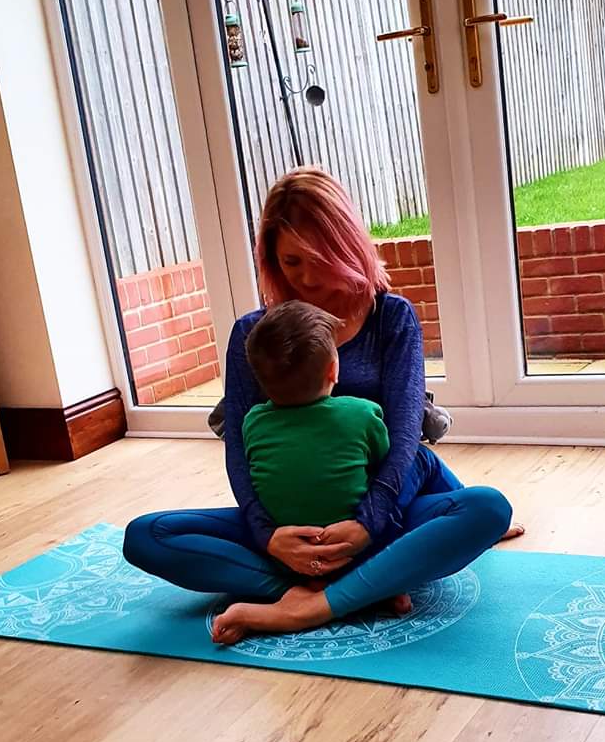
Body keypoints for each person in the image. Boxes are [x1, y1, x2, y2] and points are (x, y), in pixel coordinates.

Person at [122, 167, 517, 644]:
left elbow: (405, 438)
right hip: (287, 531)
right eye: (291, 262)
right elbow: (239, 453)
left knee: (487, 508)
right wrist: (269, 535)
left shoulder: (392, 318)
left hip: (377, 520)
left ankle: (313, 604)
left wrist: (366, 524)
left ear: (346, 246)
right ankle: (343, 588)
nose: (307, 278)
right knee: (145, 536)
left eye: (319, 259)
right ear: (272, 259)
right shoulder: (252, 334)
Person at [242, 299, 391, 532]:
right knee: (422, 460)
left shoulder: (253, 423)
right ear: (333, 370)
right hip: (355, 529)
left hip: (286, 535)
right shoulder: (363, 414)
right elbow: (384, 460)